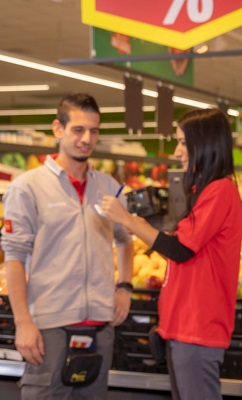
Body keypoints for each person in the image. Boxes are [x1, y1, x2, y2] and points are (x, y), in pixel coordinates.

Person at [100, 108, 242, 400]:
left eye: (182, 142)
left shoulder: (220, 191)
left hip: (199, 327)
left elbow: (180, 249)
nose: (177, 152)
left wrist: (130, 222)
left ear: (204, 144)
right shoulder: (206, 191)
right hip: (185, 326)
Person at [1, 93, 134, 399]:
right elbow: (15, 257)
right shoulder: (27, 188)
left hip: (101, 328)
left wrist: (125, 286)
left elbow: (125, 237)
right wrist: (22, 322)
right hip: (49, 328)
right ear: (58, 129)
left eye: (94, 131)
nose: (87, 138)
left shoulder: (109, 187)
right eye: (78, 129)